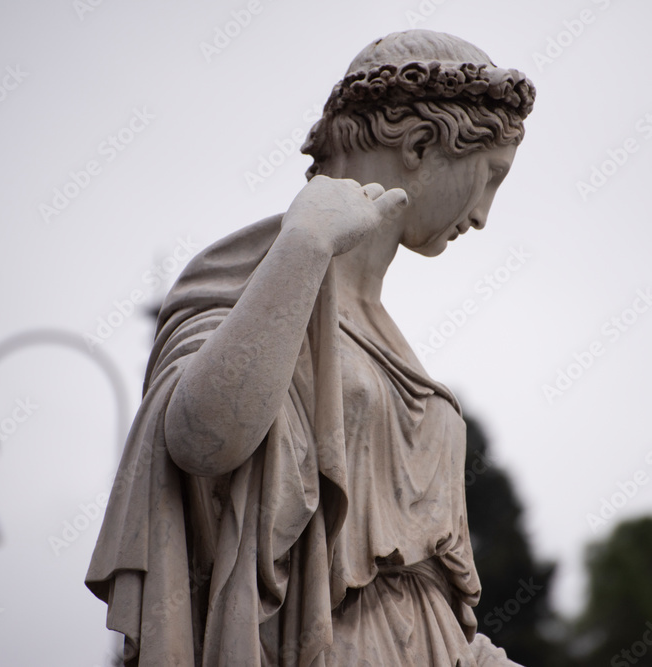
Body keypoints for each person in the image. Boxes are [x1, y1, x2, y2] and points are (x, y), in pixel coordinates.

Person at [86, 29, 536, 666]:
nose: (486, 213)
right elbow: (200, 438)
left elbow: (431, 599)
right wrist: (304, 248)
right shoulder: (253, 276)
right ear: (421, 144)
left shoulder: (389, 334)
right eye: (491, 177)